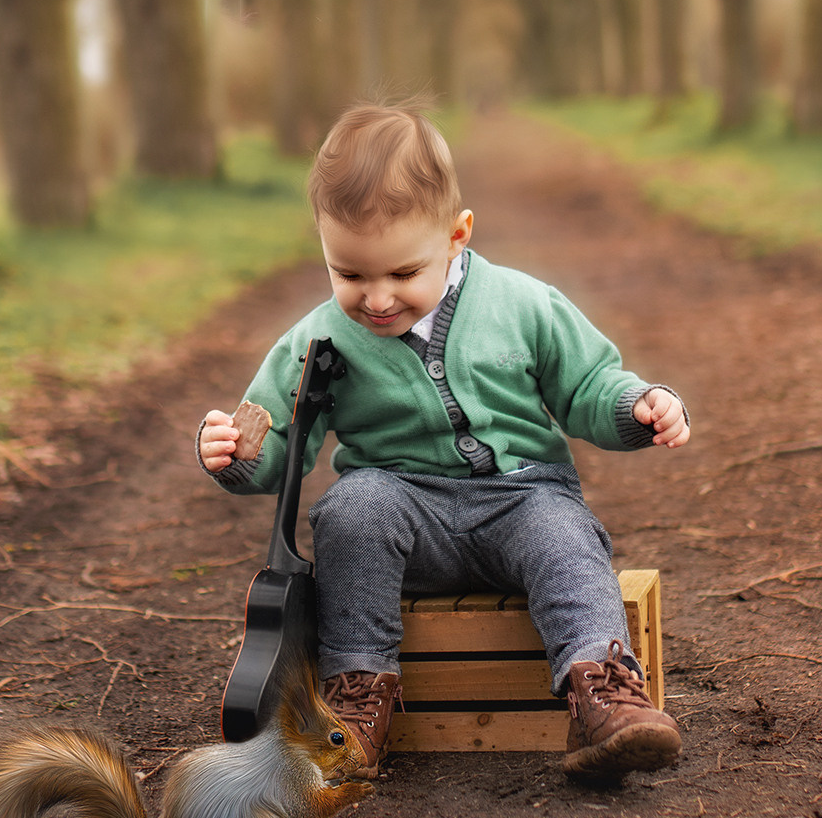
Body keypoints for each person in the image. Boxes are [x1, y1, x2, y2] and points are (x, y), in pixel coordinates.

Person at [198, 104, 687, 783]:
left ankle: (601, 693)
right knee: (352, 509)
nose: (375, 299)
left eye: (401, 275)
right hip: (407, 516)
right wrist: (237, 452)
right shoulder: (317, 341)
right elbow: (279, 440)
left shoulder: (523, 305)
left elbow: (589, 385)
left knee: (566, 537)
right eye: (350, 275)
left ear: (457, 236)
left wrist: (637, 405)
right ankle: (357, 703)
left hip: (522, 499)